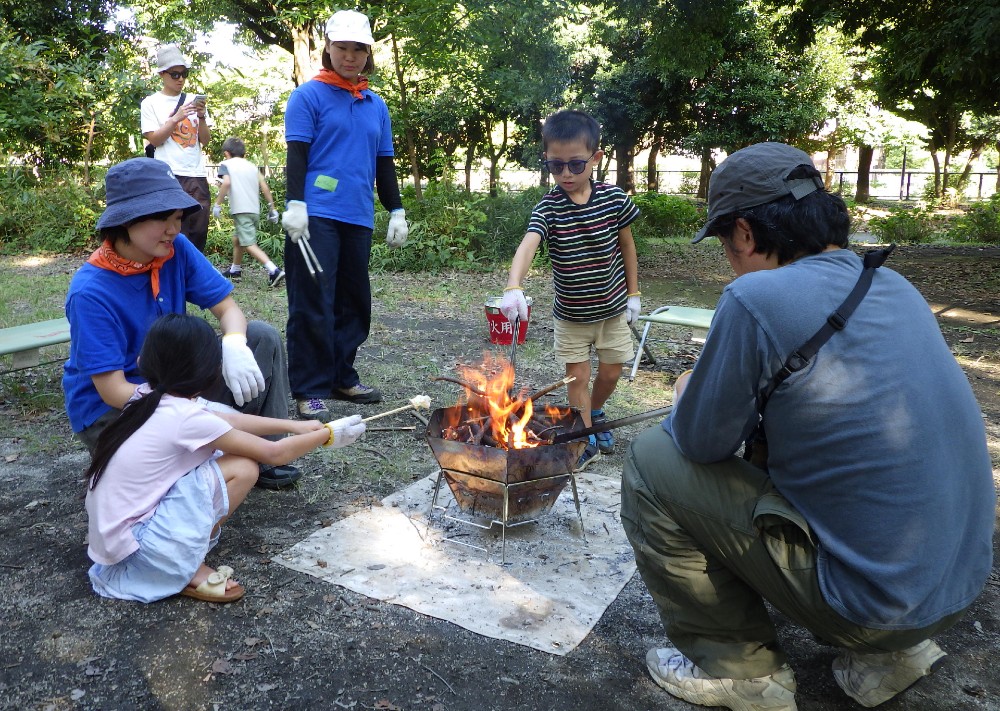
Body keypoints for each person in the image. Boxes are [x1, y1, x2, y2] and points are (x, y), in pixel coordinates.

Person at [620, 142, 995, 711]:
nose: (730, 258)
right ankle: (891, 658)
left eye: (725, 244)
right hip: (955, 589)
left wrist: (684, 391)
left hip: (869, 608)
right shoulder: (893, 285)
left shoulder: (756, 296)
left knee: (651, 460)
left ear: (744, 233)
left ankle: (740, 669)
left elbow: (699, 442)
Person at [84, 313, 366, 603]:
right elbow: (274, 453)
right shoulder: (185, 417)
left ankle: (175, 554)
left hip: (115, 537)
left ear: (144, 360)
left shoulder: (146, 396)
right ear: (210, 371)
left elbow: (230, 420)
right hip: (141, 547)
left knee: (222, 455)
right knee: (242, 467)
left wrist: (294, 426)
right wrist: (328, 434)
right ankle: (180, 564)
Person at [63, 157, 302, 490]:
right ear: (126, 220)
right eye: (162, 218)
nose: (173, 229)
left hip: (177, 384)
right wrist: (190, 409)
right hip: (116, 410)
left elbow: (228, 308)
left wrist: (233, 342)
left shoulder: (175, 250)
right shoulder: (92, 292)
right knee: (201, 474)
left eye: (176, 218)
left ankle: (269, 454)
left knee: (260, 336)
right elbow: (113, 390)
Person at [281, 9, 409, 422]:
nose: (350, 56)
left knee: (354, 301)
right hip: (315, 214)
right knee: (313, 300)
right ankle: (309, 387)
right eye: (342, 48)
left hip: (357, 215)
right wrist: (295, 204)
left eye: (359, 49)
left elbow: (384, 163)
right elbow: (297, 156)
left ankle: (341, 375)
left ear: (369, 54)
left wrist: (396, 209)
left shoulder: (375, 104)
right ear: (328, 49)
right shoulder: (308, 96)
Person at [500, 109, 641, 471]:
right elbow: (529, 243)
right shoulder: (548, 207)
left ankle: (593, 410)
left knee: (610, 372)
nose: (565, 174)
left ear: (595, 158)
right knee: (577, 377)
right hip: (572, 317)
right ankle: (586, 433)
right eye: (555, 166)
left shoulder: (613, 199)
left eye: (575, 165)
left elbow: (627, 246)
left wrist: (634, 294)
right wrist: (513, 285)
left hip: (611, 312)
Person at [141, 44, 212, 253]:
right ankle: (169, 273)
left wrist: (201, 116)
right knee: (172, 230)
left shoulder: (193, 100)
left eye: (184, 74)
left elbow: (205, 140)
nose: (180, 79)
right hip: (169, 173)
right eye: (174, 74)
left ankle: (191, 275)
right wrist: (175, 119)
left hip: (196, 174)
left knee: (198, 231)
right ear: (162, 74)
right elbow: (154, 139)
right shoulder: (150, 103)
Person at [213, 136, 286, 288]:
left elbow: (226, 182)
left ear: (226, 153)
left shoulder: (225, 164)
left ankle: (274, 270)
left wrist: (217, 204)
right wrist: (272, 208)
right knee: (238, 239)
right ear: (243, 153)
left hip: (241, 210)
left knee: (248, 243)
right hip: (254, 210)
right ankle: (235, 270)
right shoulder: (252, 166)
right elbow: (265, 187)